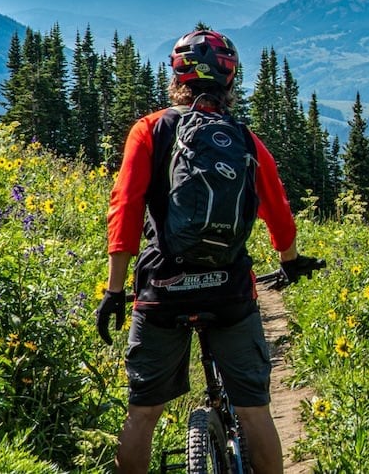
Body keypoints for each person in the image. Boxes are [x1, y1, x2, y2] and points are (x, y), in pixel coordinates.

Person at [95, 28, 322, 474]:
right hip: (230, 290)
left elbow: (124, 208)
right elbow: (278, 212)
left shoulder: (150, 131)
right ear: (229, 83)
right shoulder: (243, 138)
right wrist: (290, 262)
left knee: (143, 413)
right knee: (256, 412)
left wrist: (114, 290)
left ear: (176, 79)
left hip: (163, 287)